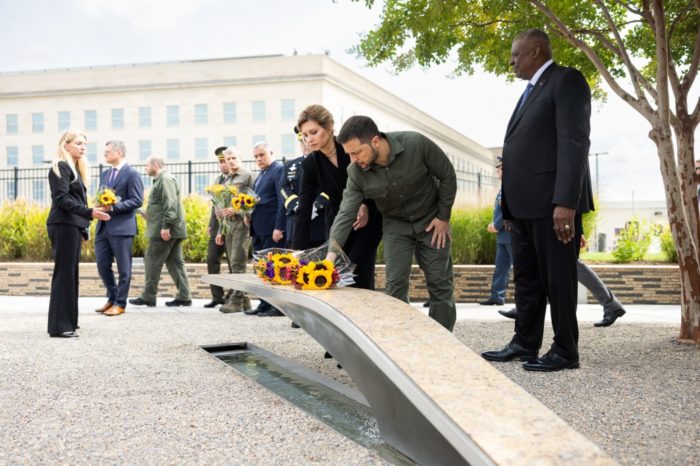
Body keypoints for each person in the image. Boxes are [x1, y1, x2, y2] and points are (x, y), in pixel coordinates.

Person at [482, 29, 594, 372]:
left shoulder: (566, 81)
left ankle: (565, 350)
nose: (512, 61)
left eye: (516, 54)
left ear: (536, 49)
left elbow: (574, 143)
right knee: (528, 279)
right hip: (523, 206)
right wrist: (509, 207)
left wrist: (566, 202)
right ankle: (525, 342)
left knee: (558, 279)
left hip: (553, 205)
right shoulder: (530, 92)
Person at [328, 115, 457, 331]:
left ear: (375, 141)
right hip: (396, 226)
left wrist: (443, 217)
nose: (353, 160)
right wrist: (331, 255)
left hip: (432, 223)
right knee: (395, 286)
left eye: (357, 152)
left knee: (440, 284)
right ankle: (400, 340)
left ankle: (442, 341)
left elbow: (447, 176)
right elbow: (345, 213)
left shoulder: (416, 144)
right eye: (348, 154)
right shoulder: (355, 172)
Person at [293, 106, 383, 291]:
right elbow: (304, 208)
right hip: (337, 220)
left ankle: (363, 316)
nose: (309, 139)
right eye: (304, 135)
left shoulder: (349, 148)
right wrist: (298, 251)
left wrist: (365, 205)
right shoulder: (310, 164)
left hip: (368, 218)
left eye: (314, 132)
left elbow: (373, 178)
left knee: (357, 272)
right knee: (334, 272)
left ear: (329, 127)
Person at [47, 130, 110, 337]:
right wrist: (89, 212)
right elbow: (62, 199)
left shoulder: (74, 168)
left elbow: (76, 202)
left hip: (72, 225)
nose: (83, 147)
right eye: (78, 143)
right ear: (66, 145)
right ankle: (60, 326)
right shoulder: (61, 167)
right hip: (63, 225)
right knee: (64, 274)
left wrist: (84, 224)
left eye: (85, 144)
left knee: (71, 274)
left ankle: (69, 322)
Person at [498, 235, 626, 327]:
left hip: (557, 223)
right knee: (538, 262)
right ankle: (524, 308)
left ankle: (611, 304)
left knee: (573, 263)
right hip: (543, 221)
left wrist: (579, 229)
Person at [129, 157, 192, 307]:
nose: (145, 168)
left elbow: (170, 204)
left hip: (163, 231)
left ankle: (148, 296)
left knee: (151, 261)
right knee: (175, 263)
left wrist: (166, 226)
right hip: (169, 228)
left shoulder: (165, 179)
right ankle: (184, 296)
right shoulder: (162, 179)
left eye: (146, 165)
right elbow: (162, 205)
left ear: (155, 165)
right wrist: (147, 213)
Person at [94, 140, 144, 317]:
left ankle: (120, 303)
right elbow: (102, 195)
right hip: (103, 227)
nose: (105, 154)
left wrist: (113, 207)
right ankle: (112, 297)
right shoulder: (105, 173)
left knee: (124, 269)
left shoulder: (132, 174)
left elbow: (137, 200)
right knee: (101, 265)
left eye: (108, 151)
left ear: (119, 153)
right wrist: (99, 205)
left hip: (122, 229)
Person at [244, 142, 286, 317]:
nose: (259, 159)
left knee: (273, 268)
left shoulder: (279, 169)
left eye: (262, 155)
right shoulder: (260, 174)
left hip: (272, 230)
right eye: (256, 156)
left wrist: (279, 226)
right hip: (258, 229)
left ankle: (277, 306)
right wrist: (248, 214)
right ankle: (264, 303)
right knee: (262, 268)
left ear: (271, 152)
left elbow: (282, 201)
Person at [216, 147, 255, 313]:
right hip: (228, 225)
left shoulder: (248, 175)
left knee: (238, 263)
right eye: (227, 159)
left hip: (242, 224)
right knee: (233, 264)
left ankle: (237, 302)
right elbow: (225, 204)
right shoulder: (227, 179)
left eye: (233, 158)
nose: (230, 161)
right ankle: (245, 301)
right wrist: (220, 229)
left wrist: (237, 211)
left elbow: (255, 199)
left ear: (240, 158)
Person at [280, 125, 327, 249]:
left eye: (307, 140)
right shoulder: (290, 166)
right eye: (302, 141)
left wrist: (316, 206)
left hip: (319, 223)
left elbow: (331, 186)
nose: (305, 144)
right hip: (295, 224)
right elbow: (284, 188)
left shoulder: (326, 163)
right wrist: (297, 205)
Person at [479, 157, 512, 306]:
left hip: (510, 234)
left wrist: (496, 225)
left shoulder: (511, 186)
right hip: (502, 236)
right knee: (501, 268)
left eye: (499, 169)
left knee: (521, 269)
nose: (497, 172)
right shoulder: (503, 187)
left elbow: (508, 210)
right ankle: (497, 296)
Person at [204, 146, 231, 308]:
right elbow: (214, 206)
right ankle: (217, 296)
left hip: (231, 226)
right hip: (216, 227)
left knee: (232, 263)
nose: (223, 165)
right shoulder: (217, 181)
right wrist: (210, 224)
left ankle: (233, 296)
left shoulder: (237, 179)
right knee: (211, 259)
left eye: (225, 161)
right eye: (220, 162)